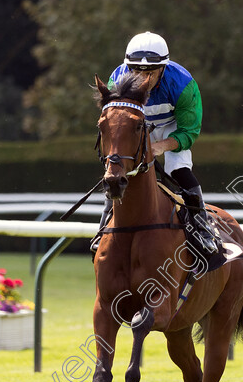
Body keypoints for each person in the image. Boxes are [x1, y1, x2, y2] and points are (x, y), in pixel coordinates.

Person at [91, 31, 218, 254]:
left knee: (178, 170)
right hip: (136, 128)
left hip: (172, 128)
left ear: (163, 67)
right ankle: (104, 227)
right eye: (136, 70)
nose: (142, 78)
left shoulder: (183, 85)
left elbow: (189, 131)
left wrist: (160, 146)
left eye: (150, 71)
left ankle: (202, 228)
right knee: (119, 171)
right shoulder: (116, 80)